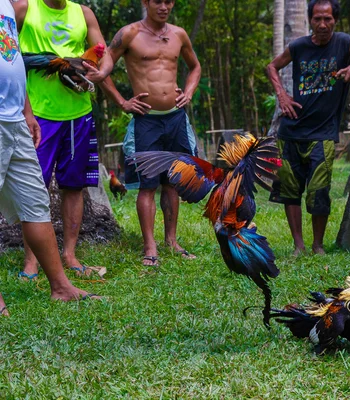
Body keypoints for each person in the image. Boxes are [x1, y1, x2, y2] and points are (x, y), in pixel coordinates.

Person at [1, 0, 100, 316]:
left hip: (16, 117)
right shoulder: (21, 8)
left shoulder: (6, 6)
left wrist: (26, 112)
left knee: (35, 202)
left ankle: (60, 287)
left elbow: (12, 59)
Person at [266, 0, 350, 255]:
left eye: (327, 19)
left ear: (335, 20)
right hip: (290, 131)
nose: (322, 24)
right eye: (317, 19)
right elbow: (272, 66)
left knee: (319, 191)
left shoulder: (345, 43)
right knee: (290, 191)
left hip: (323, 132)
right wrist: (282, 96)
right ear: (310, 19)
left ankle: (317, 245)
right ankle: (299, 246)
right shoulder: (298, 46)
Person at [13, 0, 113, 279]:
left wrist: (98, 72)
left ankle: (69, 254)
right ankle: (31, 261)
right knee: (33, 187)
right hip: (39, 114)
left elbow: (105, 53)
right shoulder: (24, 8)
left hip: (78, 113)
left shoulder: (83, 13)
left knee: (74, 185)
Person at [100, 0, 202, 267]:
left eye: (169, 1)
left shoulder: (179, 34)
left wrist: (188, 92)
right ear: (146, 2)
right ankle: (150, 247)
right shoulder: (129, 33)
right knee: (148, 185)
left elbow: (195, 67)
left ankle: (172, 240)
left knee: (172, 182)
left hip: (176, 119)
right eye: (158, 1)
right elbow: (104, 66)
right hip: (146, 121)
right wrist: (122, 102)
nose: (164, 6)